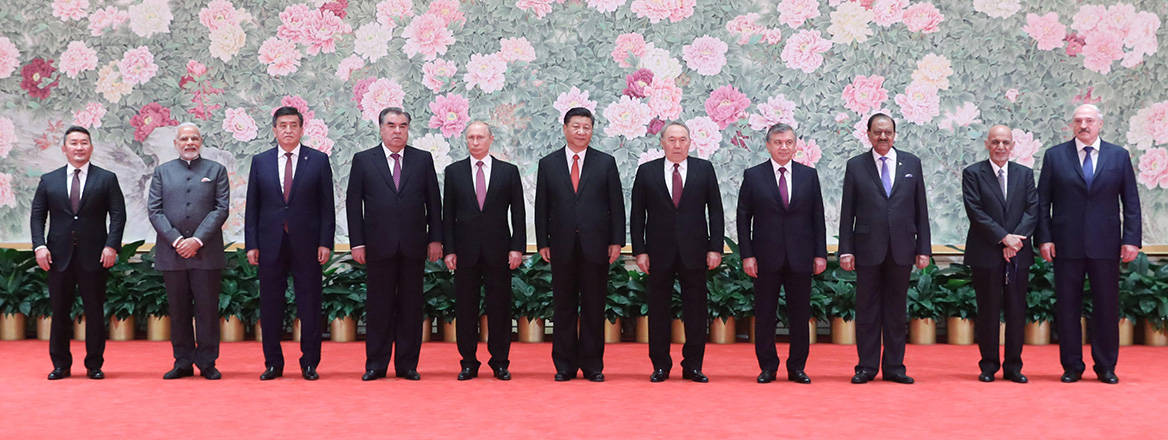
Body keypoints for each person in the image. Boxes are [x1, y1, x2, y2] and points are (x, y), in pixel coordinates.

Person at [1036, 104, 1141, 384]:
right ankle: (1072, 366)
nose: (1084, 125)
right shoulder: (1055, 156)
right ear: (1072, 125)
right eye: (1078, 121)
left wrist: (1131, 239)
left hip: (1106, 246)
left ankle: (1106, 366)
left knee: (1106, 307)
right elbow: (1042, 202)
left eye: (1089, 121)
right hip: (1065, 245)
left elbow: (1130, 201)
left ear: (1100, 125)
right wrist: (1044, 238)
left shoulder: (1118, 156)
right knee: (1067, 308)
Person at [347, 107, 442, 381]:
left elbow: (434, 203)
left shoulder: (422, 160)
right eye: (391, 125)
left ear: (408, 129)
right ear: (380, 128)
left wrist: (435, 238)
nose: (397, 130)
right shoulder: (364, 160)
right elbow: (354, 205)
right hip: (377, 247)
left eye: (402, 126)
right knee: (379, 306)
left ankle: (407, 365)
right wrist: (357, 243)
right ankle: (376, 364)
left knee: (411, 307)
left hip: (414, 246)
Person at [838, 113, 931, 385]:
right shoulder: (856, 166)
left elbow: (920, 209)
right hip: (867, 249)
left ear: (894, 134)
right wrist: (846, 249)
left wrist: (923, 247)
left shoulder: (911, 163)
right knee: (867, 311)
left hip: (902, 248)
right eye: (877, 132)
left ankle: (894, 367)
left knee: (895, 311)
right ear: (867, 134)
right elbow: (847, 212)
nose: (883, 137)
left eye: (888, 132)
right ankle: (866, 367)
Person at [534, 107, 625, 382]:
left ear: (592, 130)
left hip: (596, 246)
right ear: (565, 128)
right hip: (560, 246)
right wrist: (542, 242)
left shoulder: (605, 162)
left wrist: (617, 241)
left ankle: (593, 365)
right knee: (563, 306)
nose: (581, 132)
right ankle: (564, 365)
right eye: (576, 126)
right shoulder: (548, 164)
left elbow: (616, 205)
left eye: (586, 127)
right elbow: (542, 207)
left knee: (594, 306)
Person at [245, 106, 335, 381]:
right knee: (271, 305)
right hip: (270, 244)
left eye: (293, 125)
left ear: (301, 129)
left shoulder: (318, 160)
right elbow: (253, 207)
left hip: (307, 244)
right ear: (274, 130)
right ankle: (273, 363)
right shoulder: (260, 161)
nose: (287, 130)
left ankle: (310, 363)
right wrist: (252, 244)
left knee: (309, 304)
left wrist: (325, 242)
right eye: (282, 125)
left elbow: (326, 206)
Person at [630, 122, 724, 383]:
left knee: (696, 311)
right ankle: (660, 365)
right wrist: (640, 251)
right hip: (658, 253)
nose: (677, 145)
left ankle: (693, 365)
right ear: (662, 142)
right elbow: (637, 214)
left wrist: (715, 247)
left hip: (695, 252)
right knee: (658, 310)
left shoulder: (704, 169)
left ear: (690, 142)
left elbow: (715, 211)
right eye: (672, 140)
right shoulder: (647, 172)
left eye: (682, 139)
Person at [31, 125, 126, 380]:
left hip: (94, 255)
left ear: (91, 147)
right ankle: (60, 365)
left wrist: (111, 245)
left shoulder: (106, 178)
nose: (79, 147)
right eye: (73, 143)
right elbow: (37, 217)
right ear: (64, 148)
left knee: (94, 311)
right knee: (59, 311)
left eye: (84, 142)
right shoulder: (48, 180)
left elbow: (118, 216)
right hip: (57, 256)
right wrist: (40, 246)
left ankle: (94, 364)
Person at [737, 123, 826, 384]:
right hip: (765, 258)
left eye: (788, 142)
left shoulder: (809, 176)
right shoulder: (753, 176)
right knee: (765, 314)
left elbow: (817, 217)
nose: (783, 147)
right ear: (768, 145)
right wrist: (747, 255)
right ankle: (768, 367)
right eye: (778, 142)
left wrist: (820, 254)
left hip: (801, 256)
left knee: (800, 315)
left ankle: (797, 367)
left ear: (795, 145)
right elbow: (743, 218)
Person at [442, 121, 525, 381]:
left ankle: (500, 362)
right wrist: (449, 249)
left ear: (491, 139)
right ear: (466, 141)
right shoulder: (453, 172)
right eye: (471, 138)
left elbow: (519, 214)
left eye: (480, 137)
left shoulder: (508, 172)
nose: (475, 142)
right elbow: (448, 216)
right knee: (466, 309)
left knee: (499, 308)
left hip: (499, 251)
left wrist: (517, 248)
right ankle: (468, 362)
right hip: (464, 252)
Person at [147, 123, 230, 380]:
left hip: (206, 253)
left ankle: (207, 362)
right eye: (184, 139)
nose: (189, 142)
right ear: (176, 143)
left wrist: (196, 240)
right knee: (179, 310)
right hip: (172, 254)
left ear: (201, 142)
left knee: (206, 310)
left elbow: (221, 208)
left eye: (194, 138)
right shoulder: (162, 172)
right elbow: (155, 210)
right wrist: (176, 240)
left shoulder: (216, 170)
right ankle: (182, 361)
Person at [961, 125, 1037, 383]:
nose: (1001, 147)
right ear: (987, 144)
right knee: (988, 311)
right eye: (995, 142)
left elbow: (1032, 210)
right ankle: (989, 365)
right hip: (986, 252)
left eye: (1005, 142)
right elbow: (975, 211)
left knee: (1016, 311)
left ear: (1012, 145)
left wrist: (1014, 241)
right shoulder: (972, 173)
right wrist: (1004, 238)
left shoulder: (1025, 174)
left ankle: (1014, 367)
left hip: (1018, 253)